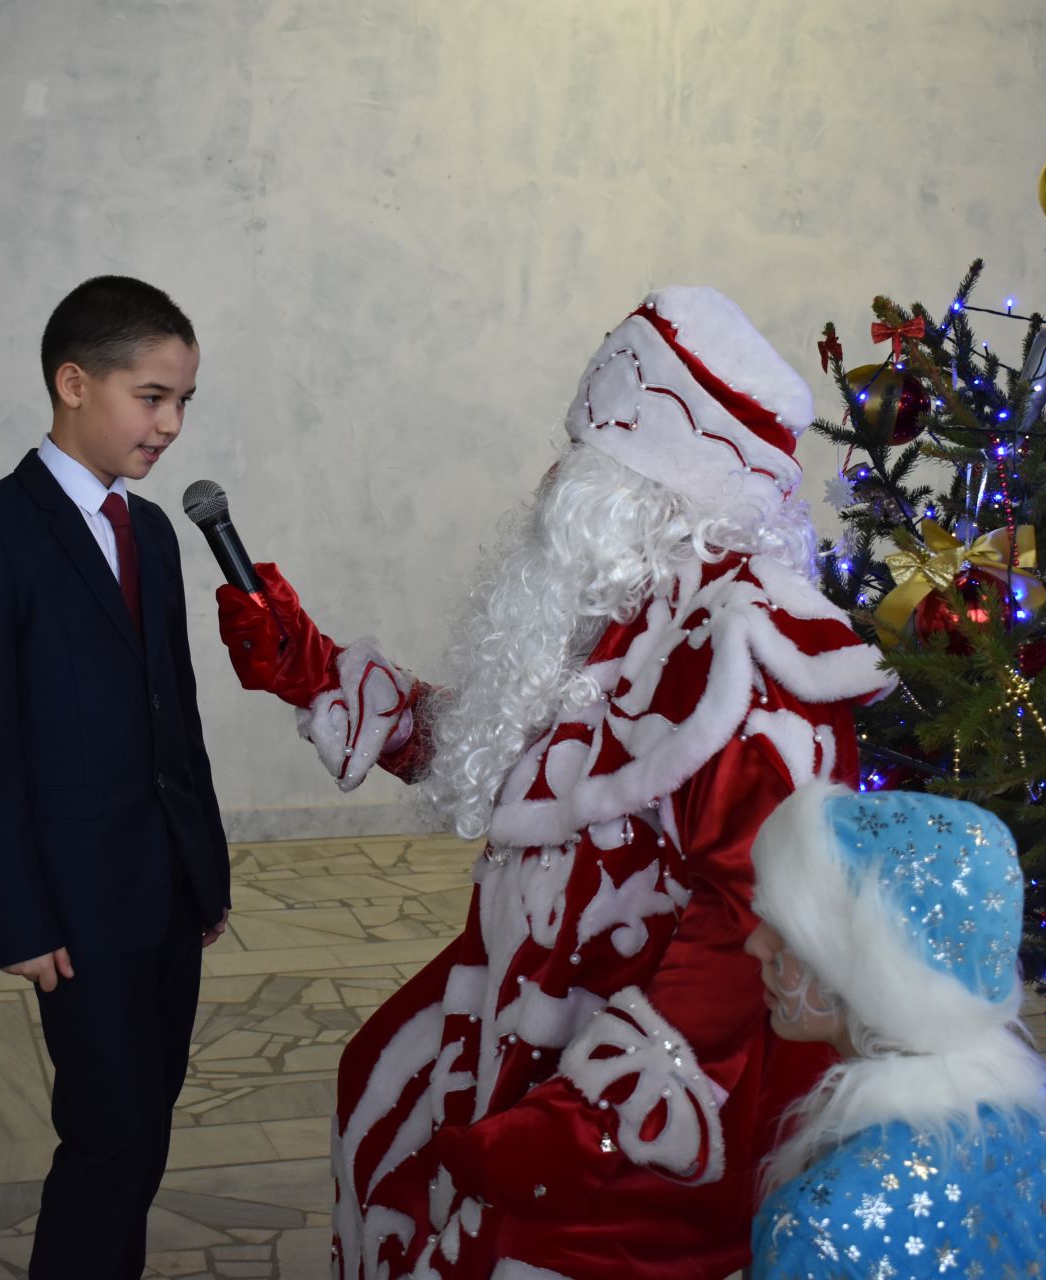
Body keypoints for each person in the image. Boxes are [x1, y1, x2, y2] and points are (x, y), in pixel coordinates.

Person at [217, 286, 899, 1278]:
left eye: (582, 455)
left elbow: (753, 916)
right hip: (526, 1005)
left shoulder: (752, 650)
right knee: (383, 1096)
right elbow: (515, 756)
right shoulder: (636, 608)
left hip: (653, 1082)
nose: (551, 479)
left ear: (656, 480)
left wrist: (590, 1119)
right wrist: (316, 669)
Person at [0, 275, 231, 1279]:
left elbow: (171, 717)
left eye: (183, 400)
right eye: (152, 396)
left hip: (165, 892)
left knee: (144, 1123)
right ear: (72, 382)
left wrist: (204, 871)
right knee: (109, 1135)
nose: (171, 423)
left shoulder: (153, 535)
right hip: (74, 904)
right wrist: (14, 911)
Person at [744, 781, 1046, 1279]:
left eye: (789, 927)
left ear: (871, 971)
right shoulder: (1038, 1132)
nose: (755, 946)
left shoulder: (817, 1229)